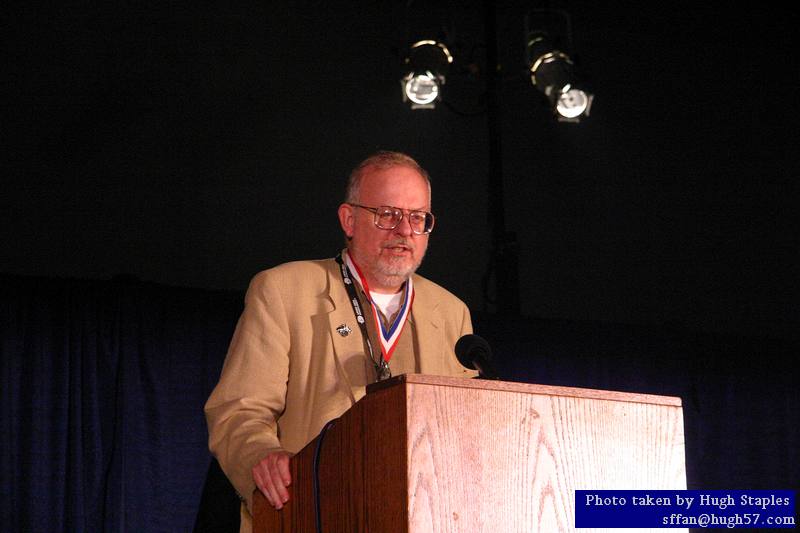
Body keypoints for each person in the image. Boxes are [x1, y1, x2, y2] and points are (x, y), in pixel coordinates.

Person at [204, 151, 476, 532]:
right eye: (387, 214)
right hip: (309, 513)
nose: (404, 230)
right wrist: (262, 456)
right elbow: (238, 411)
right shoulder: (284, 290)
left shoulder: (451, 313)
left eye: (418, 218)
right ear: (349, 220)